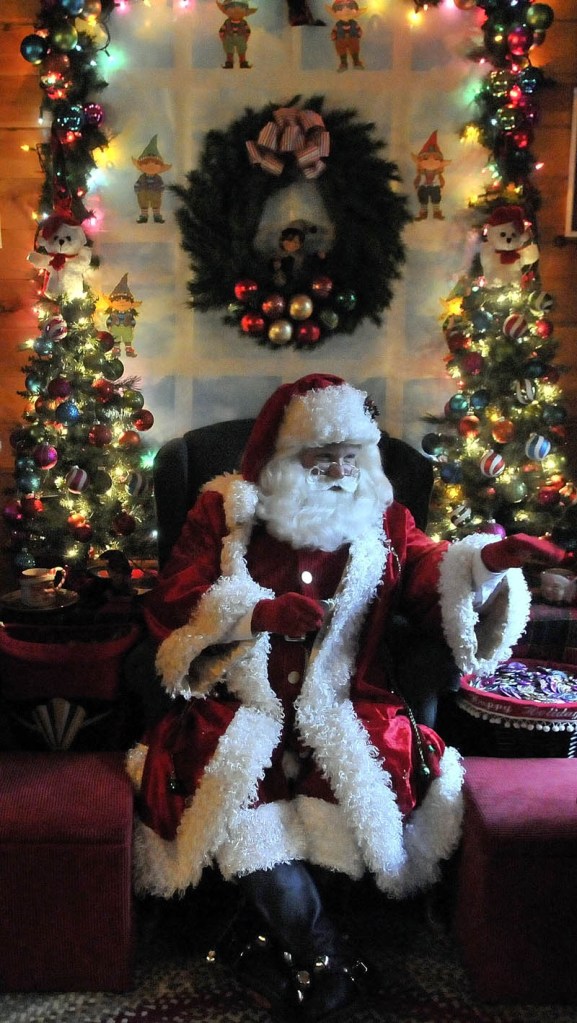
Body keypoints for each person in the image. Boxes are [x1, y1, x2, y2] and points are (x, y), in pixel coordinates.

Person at [126, 374, 568, 1021]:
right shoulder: (224, 512)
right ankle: (323, 953)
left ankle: (265, 940)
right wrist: (258, 614)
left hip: (345, 701)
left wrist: (488, 563)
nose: (337, 469)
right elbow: (175, 599)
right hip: (241, 703)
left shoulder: (383, 518)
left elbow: (427, 576)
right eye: (320, 455)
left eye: (347, 455)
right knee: (228, 787)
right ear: (283, 457)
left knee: (369, 784)